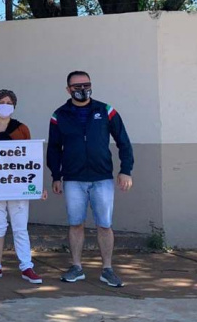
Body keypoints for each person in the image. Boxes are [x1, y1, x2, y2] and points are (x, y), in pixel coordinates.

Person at [48, 71, 134, 287]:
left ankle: (107, 269)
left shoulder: (106, 110)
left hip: (102, 178)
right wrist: (56, 176)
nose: (81, 89)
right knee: (75, 224)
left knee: (104, 225)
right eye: (76, 86)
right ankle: (76, 267)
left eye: (85, 85)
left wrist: (126, 170)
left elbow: (123, 141)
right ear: (68, 89)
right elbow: (54, 148)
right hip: (73, 179)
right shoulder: (60, 115)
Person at [0, 89, 46, 285]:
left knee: (20, 227)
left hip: (18, 185)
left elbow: (31, 159)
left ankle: (26, 265)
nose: (5, 105)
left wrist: (36, 185)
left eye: (9, 102)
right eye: (1, 101)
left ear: (14, 106)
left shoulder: (21, 129)